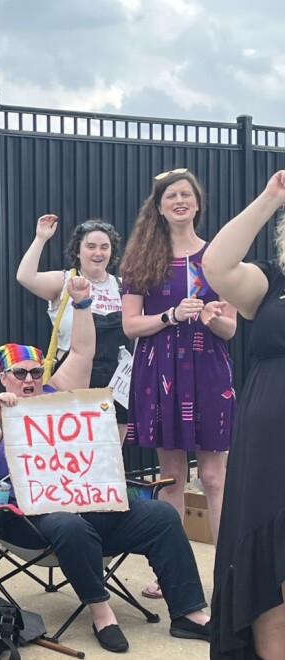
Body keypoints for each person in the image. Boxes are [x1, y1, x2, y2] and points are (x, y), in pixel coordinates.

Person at [0, 274, 211, 654]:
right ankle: (101, 613)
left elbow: (81, 354)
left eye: (35, 371)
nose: (30, 380)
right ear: (3, 376)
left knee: (160, 515)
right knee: (69, 525)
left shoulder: (53, 395)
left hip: (89, 505)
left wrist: (80, 304)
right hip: (30, 520)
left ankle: (190, 614)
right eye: (20, 373)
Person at [119, 168, 235, 552]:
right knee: (170, 476)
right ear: (159, 207)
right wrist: (171, 316)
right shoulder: (139, 260)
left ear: (197, 204)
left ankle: (226, 574)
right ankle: (175, 572)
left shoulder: (218, 258)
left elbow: (231, 330)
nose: (180, 201)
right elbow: (131, 325)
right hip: (160, 372)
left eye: (186, 194)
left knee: (214, 478)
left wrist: (213, 318)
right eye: (171, 196)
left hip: (208, 370)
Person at [203, 171, 285, 660]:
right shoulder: (270, 284)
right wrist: (271, 198)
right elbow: (216, 263)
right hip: (269, 444)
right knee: (267, 577)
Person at [16, 214, 129, 436]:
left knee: (110, 453)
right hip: (72, 377)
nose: (98, 253)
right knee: (71, 447)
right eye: (91, 246)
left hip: (117, 382)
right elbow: (25, 277)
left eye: (104, 247)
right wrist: (41, 238)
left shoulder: (123, 287)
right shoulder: (63, 281)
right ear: (78, 251)